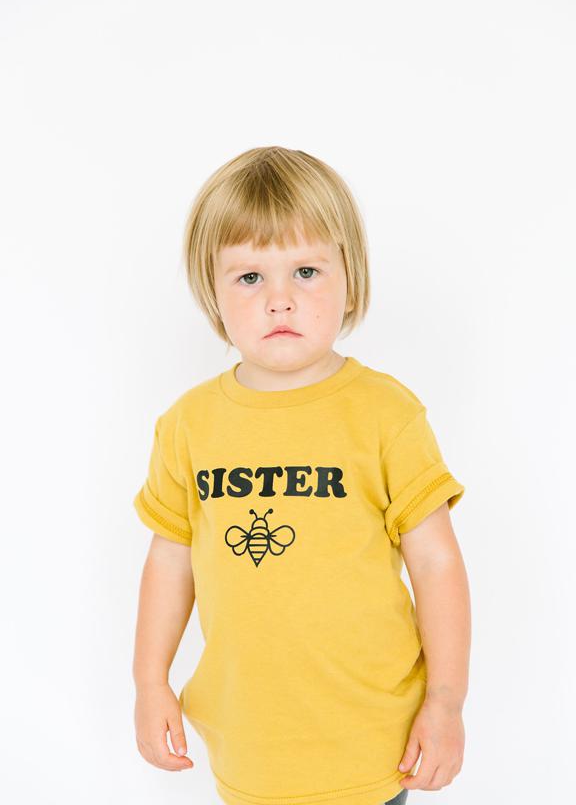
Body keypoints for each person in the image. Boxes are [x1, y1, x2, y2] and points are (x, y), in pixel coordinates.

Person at [132, 146, 470, 805]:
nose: (279, 300)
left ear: (351, 279)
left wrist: (447, 701)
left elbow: (436, 563)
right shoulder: (188, 425)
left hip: (375, 740)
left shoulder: (386, 414)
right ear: (212, 290)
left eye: (306, 271)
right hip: (248, 747)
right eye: (249, 277)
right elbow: (170, 561)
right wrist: (150, 682)